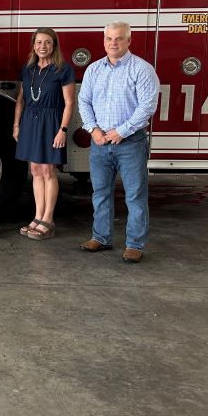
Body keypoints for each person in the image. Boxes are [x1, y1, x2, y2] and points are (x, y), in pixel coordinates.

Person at [77, 21, 159, 263]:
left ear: (128, 41)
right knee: (100, 193)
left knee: (135, 195)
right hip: (100, 143)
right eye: (109, 39)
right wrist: (93, 130)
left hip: (131, 143)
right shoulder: (94, 70)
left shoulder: (142, 69)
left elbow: (147, 106)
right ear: (104, 41)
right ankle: (101, 238)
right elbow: (84, 101)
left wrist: (121, 131)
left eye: (119, 38)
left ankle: (135, 244)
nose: (113, 43)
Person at [12, 28, 76, 239]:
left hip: (51, 123)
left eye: (47, 42)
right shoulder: (28, 69)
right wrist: (16, 125)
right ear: (34, 45)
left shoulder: (62, 69)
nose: (42, 46)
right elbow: (21, 99)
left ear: (54, 45)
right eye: (38, 42)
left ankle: (48, 219)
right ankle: (38, 216)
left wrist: (62, 130)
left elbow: (69, 103)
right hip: (30, 121)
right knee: (35, 170)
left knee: (49, 171)